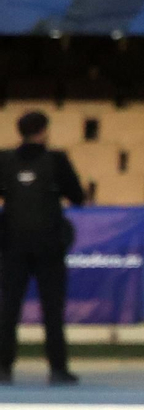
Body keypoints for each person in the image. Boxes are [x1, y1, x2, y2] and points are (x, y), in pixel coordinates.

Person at [0, 110, 84, 386]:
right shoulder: (56, 160)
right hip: (49, 246)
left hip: (12, 245)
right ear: (44, 131)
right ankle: (58, 369)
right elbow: (78, 197)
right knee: (52, 310)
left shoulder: (4, 160)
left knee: (8, 309)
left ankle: (3, 369)